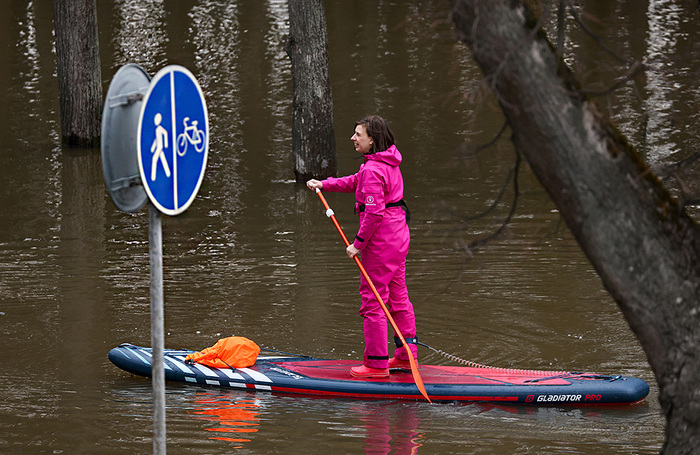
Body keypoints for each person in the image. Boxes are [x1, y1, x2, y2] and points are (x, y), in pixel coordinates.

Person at [307, 115, 417, 378]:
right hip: (399, 236)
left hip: (381, 242)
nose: (353, 138)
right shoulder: (387, 161)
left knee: (373, 301)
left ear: (373, 139)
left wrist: (357, 244)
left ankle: (377, 365)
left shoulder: (372, 169)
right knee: (398, 296)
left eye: (359, 134)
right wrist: (325, 184)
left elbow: (374, 214)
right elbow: (355, 182)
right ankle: (405, 355)